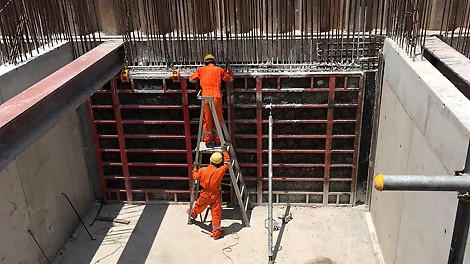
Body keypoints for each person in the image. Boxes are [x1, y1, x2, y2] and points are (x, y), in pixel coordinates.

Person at [189, 54, 234, 148]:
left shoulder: (201, 70)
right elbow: (230, 79)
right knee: (218, 118)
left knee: (207, 119)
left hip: (205, 96)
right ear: (214, 62)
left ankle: (208, 141)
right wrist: (229, 69)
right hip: (217, 97)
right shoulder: (219, 70)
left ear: (205, 62)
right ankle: (218, 140)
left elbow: (191, 80)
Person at [190, 144, 230, 240]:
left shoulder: (202, 170)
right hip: (215, 195)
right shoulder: (220, 171)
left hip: (204, 194)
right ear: (219, 163)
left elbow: (195, 176)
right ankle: (216, 233)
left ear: (210, 160)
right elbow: (227, 161)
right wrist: (224, 151)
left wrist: (194, 168)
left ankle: (193, 214)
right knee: (216, 213)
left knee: (199, 205)